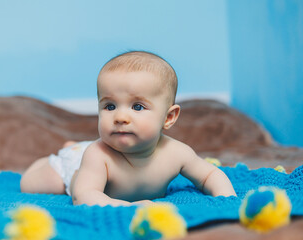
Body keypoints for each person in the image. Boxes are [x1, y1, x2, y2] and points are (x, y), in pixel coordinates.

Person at [20, 51, 237, 206]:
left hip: (84, 153)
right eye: (110, 106)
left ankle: (74, 146)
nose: (120, 117)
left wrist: (226, 198)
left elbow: (209, 175)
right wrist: (129, 207)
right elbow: (84, 195)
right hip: (75, 166)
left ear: (169, 117)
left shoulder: (177, 153)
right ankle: (57, 156)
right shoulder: (98, 155)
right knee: (29, 184)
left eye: (138, 106)